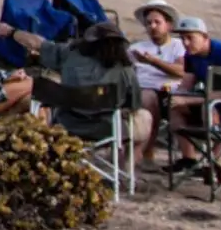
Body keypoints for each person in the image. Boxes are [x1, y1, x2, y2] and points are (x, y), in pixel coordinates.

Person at [14, 18, 155, 156]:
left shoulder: (70, 55)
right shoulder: (125, 70)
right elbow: (134, 104)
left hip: (66, 126)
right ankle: (124, 170)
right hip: (107, 130)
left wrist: (12, 32)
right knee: (144, 117)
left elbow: (40, 45)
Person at [164, 15, 221, 155]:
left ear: (205, 36)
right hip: (209, 98)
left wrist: (187, 100)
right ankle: (188, 158)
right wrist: (175, 97)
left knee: (208, 108)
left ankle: (215, 160)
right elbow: (186, 83)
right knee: (175, 108)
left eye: (190, 38)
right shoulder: (190, 55)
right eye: (182, 39)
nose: (185, 43)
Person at [128, 0, 191, 124]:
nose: (152, 26)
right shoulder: (136, 48)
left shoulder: (179, 45)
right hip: (144, 89)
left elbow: (181, 71)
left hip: (171, 90)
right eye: (149, 23)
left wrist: (153, 61)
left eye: (157, 22)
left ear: (168, 25)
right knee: (147, 98)